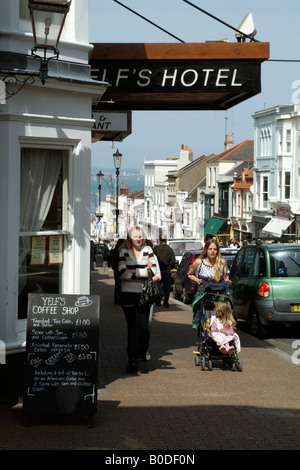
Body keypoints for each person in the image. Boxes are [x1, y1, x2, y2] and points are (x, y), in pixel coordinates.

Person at [118, 227, 157, 374]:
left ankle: (142, 358)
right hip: (128, 294)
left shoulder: (148, 250)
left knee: (143, 328)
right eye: (135, 236)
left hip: (144, 294)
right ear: (130, 238)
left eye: (140, 236)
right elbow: (121, 273)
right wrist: (143, 271)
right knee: (132, 329)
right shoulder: (124, 252)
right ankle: (132, 361)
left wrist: (132, 271)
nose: (138, 239)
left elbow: (153, 271)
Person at [145, 240, 161, 361]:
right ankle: (134, 350)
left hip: (147, 293)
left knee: (148, 323)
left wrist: (147, 281)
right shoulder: (129, 254)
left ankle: (145, 348)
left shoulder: (152, 257)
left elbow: (158, 275)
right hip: (131, 292)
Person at [153, 234, 176, 308]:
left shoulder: (156, 249)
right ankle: (166, 302)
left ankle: (158, 301)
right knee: (167, 288)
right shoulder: (169, 249)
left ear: (160, 240)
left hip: (158, 270)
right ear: (166, 240)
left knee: (158, 286)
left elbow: (152, 259)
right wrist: (170, 266)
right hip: (166, 270)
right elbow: (173, 261)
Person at [107, 238, 125, 304]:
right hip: (123, 270)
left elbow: (108, 257)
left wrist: (112, 264)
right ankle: (120, 299)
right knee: (122, 284)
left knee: (117, 284)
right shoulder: (124, 251)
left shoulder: (114, 251)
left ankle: (116, 299)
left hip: (116, 269)